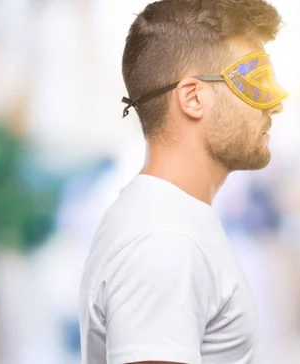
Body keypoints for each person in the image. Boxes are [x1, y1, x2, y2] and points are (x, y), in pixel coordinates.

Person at [78, 0, 287, 363]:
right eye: (256, 81)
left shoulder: (169, 221)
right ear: (192, 97)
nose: (276, 103)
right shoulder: (163, 241)